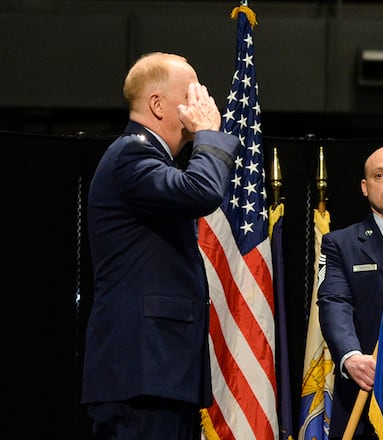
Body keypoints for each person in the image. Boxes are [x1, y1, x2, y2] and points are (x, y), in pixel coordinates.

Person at [81, 52, 241, 440]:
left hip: (159, 374)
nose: (204, 104)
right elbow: (201, 190)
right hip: (142, 373)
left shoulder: (148, 158)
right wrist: (207, 133)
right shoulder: (131, 154)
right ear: (156, 104)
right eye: (192, 94)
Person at [317, 145, 383, 439]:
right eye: (378, 175)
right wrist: (350, 357)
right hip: (363, 393)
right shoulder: (340, 244)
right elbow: (334, 303)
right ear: (364, 186)